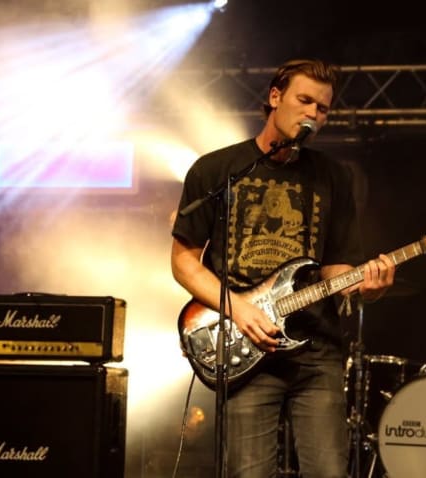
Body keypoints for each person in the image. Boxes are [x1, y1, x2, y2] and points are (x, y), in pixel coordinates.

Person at [170, 58, 396, 478]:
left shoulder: (333, 177)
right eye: (304, 100)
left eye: (323, 108)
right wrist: (239, 309)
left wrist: (367, 287)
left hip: (318, 353)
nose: (313, 113)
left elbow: (336, 267)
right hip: (246, 342)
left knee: (329, 472)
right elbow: (183, 260)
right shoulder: (217, 170)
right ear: (275, 97)